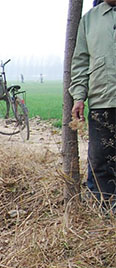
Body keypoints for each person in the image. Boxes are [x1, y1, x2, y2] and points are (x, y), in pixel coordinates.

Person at [70, 0, 116, 207]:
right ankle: (105, 212)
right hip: (102, 101)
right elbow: (80, 61)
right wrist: (79, 96)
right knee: (100, 160)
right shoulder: (89, 19)